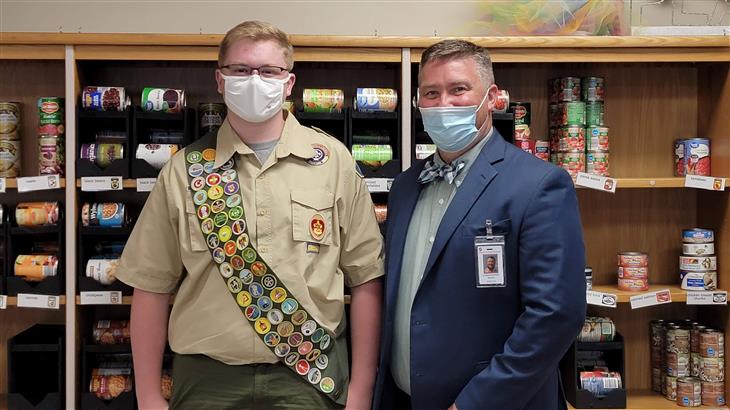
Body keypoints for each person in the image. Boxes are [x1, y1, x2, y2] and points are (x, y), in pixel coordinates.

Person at [116, 20, 384, 410]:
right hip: (207, 381)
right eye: (240, 70)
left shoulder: (333, 162)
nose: (254, 80)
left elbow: (366, 278)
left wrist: (361, 390)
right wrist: (147, 396)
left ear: (288, 83)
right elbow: (150, 286)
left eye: (269, 71)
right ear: (220, 81)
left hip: (309, 375)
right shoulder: (184, 171)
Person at [374, 39, 586, 410]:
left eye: (459, 90)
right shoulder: (406, 186)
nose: (444, 105)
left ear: (491, 98)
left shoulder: (539, 185)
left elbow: (555, 316)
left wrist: (475, 403)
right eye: (431, 93)